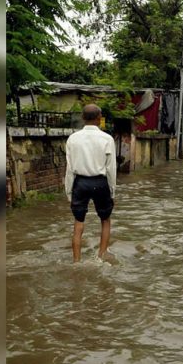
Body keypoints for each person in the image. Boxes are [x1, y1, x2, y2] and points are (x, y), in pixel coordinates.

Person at [64, 104, 117, 263]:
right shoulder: (107, 139)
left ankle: (76, 262)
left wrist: (69, 192)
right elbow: (111, 169)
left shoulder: (73, 139)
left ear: (82, 118)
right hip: (100, 182)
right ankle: (101, 256)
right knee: (105, 220)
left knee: (78, 222)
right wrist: (112, 191)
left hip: (80, 183)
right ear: (99, 118)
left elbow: (69, 169)